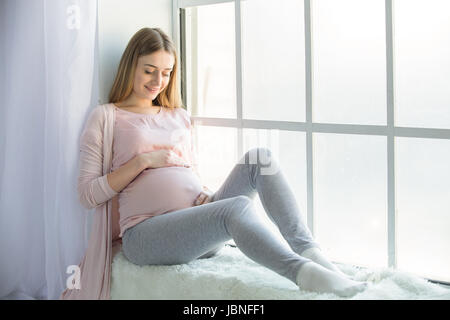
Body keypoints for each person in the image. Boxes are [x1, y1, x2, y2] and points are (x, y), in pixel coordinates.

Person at [61, 27, 368, 300]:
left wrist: (205, 193)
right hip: (145, 236)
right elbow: (88, 195)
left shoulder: (177, 115)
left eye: (166, 73)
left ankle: (310, 252)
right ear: (131, 67)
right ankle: (303, 274)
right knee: (236, 208)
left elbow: (186, 171)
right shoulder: (107, 116)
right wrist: (143, 161)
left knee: (261, 159)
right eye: (149, 70)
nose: (158, 81)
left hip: (197, 226)